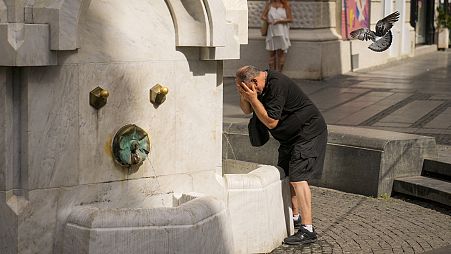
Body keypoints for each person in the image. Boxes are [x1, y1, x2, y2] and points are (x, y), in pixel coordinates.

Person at [235, 65, 328, 245]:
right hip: (290, 138)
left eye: (245, 87)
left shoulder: (277, 84)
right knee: (286, 175)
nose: (246, 91)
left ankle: (308, 230)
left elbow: (270, 122)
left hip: (308, 133)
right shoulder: (257, 86)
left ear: (254, 81)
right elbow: (246, 110)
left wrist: (253, 99)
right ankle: (295, 217)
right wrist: (244, 95)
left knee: (298, 178)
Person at [261, 0, 292, 72]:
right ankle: (272, 74)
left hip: (282, 32)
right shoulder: (269, 5)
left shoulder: (285, 5)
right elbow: (263, 16)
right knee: (272, 54)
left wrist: (279, 21)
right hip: (272, 33)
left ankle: (279, 74)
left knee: (281, 54)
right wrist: (268, 20)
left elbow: (290, 19)